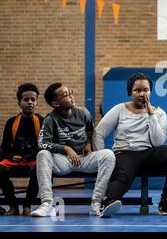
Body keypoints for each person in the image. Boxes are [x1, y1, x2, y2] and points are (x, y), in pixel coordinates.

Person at [95, 73, 167, 216]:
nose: (141, 94)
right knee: (122, 176)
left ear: (150, 92)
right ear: (130, 92)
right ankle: (108, 202)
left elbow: (157, 142)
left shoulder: (159, 113)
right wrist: (102, 156)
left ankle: (166, 203)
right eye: (137, 90)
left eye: (145, 90)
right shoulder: (120, 109)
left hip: (149, 154)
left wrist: (151, 115)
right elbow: (99, 132)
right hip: (125, 153)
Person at [31, 83, 116, 217]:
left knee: (109, 155)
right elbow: (42, 143)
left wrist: (88, 144)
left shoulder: (83, 113)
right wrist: (66, 148)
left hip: (83, 158)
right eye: (66, 95)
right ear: (55, 104)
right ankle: (46, 203)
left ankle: (97, 203)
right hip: (64, 161)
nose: (71, 96)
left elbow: (90, 130)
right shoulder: (51, 119)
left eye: (70, 92)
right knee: (42, 154)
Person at [0, 83, 43, 216]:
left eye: (33, 100)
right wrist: (12, 156)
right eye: (26, 100)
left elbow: (43, 146)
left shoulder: (42, 121)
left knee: (41, 169)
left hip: (32, 159)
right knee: (0, 170)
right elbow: (5, 146)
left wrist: (28, 157)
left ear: (36, 103)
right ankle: (13, 206)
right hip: (14, 159)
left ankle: (27, 206)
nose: (30, 102)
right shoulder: (11, 122)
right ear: (19, 103)